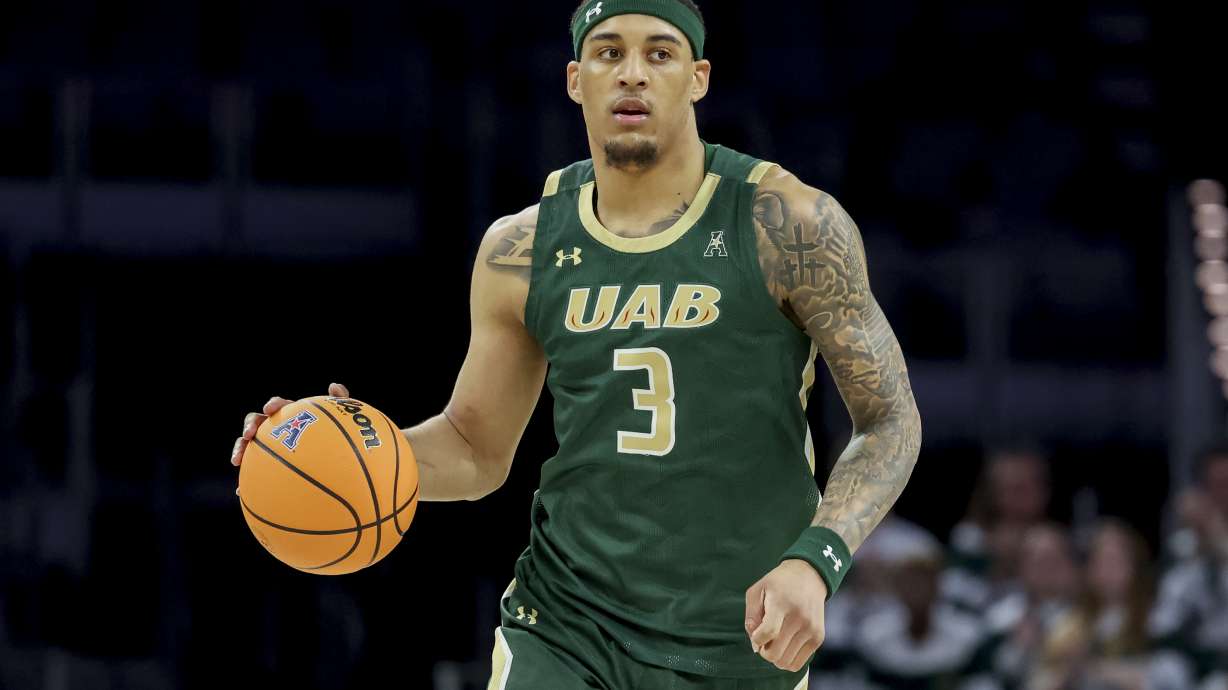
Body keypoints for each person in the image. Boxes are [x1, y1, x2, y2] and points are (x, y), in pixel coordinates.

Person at [230, 1, 923, 687]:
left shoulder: (788, 223)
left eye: (659, 53)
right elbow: (475, 449)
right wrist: (348, 450)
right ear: (574, 78)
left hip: (743, 636)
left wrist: (818, 558)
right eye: (609, 52)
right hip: (568, 626)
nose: (633, 75)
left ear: (698, 77)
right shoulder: (520, 250)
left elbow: (890, 420)